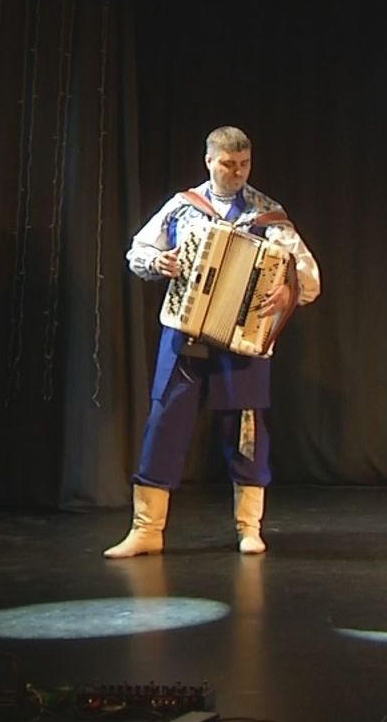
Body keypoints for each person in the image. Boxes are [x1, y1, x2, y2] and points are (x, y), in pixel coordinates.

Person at [104, 126, 321, 558]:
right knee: (164, 423)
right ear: (209, 161)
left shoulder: (268, 215)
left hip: (242, 340)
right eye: (228, 164)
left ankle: (249, 527)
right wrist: (159, 261)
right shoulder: (182, 208)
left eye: (244, 164)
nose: (237, 172)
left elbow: (308, 277)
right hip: (184, 331)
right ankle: (147, 529)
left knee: (245, 430)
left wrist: (287, 291)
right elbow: (137, 252)